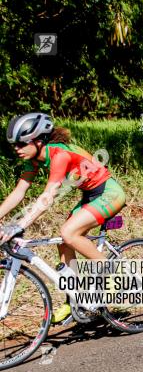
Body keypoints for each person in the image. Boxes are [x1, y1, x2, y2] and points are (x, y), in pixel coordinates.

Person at [0, 113, 125, 322]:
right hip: (91, 194)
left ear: (38, 141)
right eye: (14, 144)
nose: (16, 149)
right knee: (63, 243)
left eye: (21, 143)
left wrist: (19, 225)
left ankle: (111, 273)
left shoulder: (60, 155)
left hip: (109, 192)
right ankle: (74, 299)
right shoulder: (34, 159)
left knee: (68, 232)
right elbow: (19, 192)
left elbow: (49, 196)